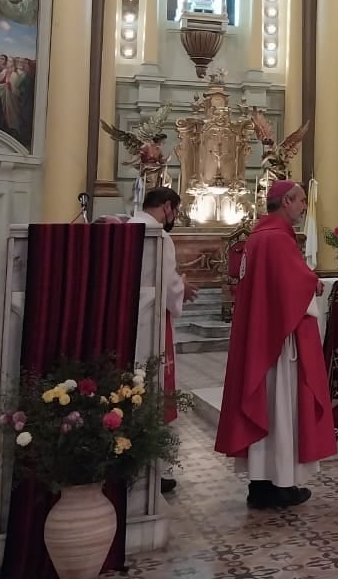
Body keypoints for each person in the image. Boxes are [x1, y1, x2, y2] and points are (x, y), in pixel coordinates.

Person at [215, 181, 336, 510]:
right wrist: (314, 283)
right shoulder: (277, 239)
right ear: (285, 202)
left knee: (267, 407)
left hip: (262, 340)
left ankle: (261, 485)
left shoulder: (256, 237)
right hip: (279, 343)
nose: (302, 208)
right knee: (282, 408)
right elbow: (293, 286)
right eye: (299, 202)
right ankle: (282, 484)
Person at [128, 187, 197, 494]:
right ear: (167, 207)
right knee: (158, 389)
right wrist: (182, 286)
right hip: (154, 322)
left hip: (128, 322)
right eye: (175, 211)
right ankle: (158, 468)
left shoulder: (127, 227)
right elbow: (167, 286)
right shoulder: (159, 237)